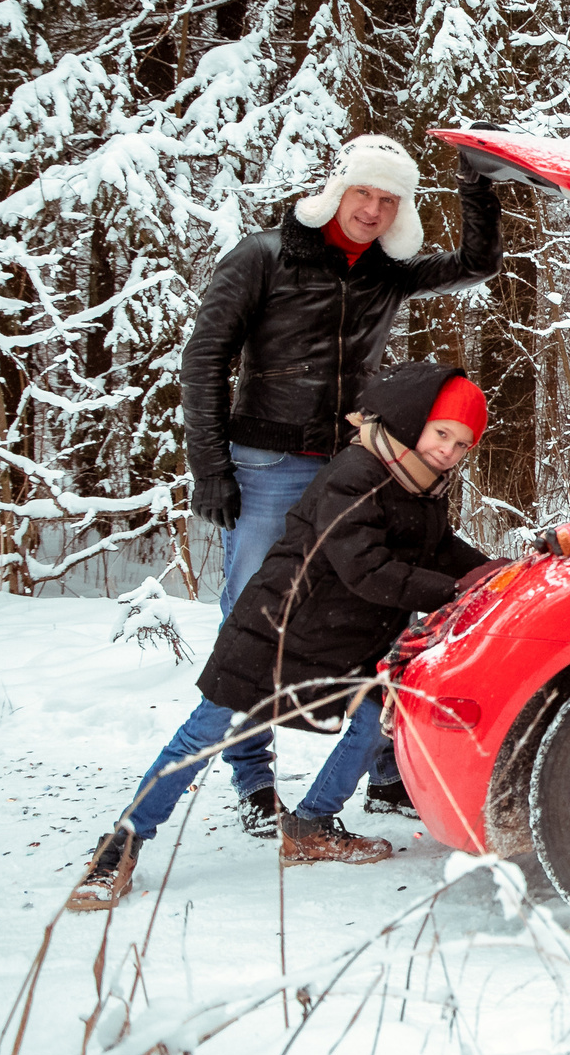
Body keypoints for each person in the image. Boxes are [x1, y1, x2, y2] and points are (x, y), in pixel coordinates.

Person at [69, 365, 495, 912]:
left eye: (463, 444)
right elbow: (366, 568)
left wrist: (494, 571)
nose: (449, 451)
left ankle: (311, 825)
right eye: (442, 433)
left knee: (378, 714)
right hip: (276, 630)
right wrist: (455, 588)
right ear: (414, 421)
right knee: (199, 740)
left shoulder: (418, 482)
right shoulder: (356, 473)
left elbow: (435, 543)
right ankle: (118, 850)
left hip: (341, 639)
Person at [180, 134, 501, 830]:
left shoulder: (385, 272)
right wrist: (210, 466)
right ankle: (254, 783)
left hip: (359, 464)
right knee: (255, 623)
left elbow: (477, 263)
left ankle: (384, 770)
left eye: (390, 200)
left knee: (381, 608)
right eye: (365, 192)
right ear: (339, 190)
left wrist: (475, 186)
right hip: (265, 463)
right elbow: (205, 357)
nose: (374, 210)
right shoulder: (264, 256)